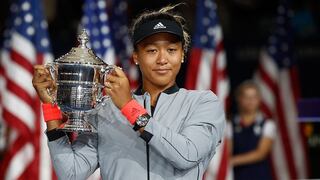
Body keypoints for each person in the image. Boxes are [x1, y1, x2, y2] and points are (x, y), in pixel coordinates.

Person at [32, 5, 225, 180]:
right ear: (136, 57)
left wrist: (128, 107)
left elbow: (186, 156)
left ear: (182, 55)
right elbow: (71, 173)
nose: (162, 59)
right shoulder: (105, 110)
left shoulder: (203, 103)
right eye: (151, 51)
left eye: (171, 50)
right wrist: (50, 108)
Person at [227, 81, 276, 180]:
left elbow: (261, 153)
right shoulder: (229, 124)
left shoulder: (268, 124)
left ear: (259, 100)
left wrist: (232, 161)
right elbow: (228, 150)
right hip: (236, 175)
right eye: (246, 97)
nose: (250, 101)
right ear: (239, 99)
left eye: (254, 97)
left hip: (260, 176)